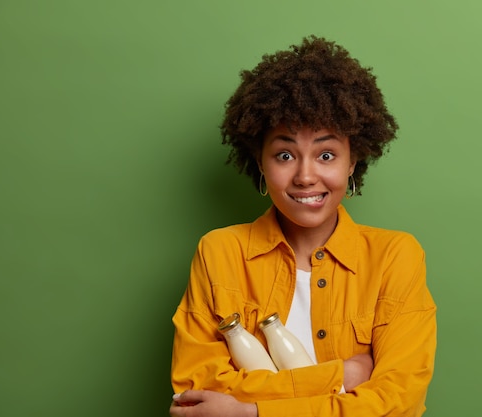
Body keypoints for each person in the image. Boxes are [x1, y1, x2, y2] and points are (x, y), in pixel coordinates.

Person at [169, 35, 437, 417]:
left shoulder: (396, 258)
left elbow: (396, 402)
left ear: (352, 161)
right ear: (260, 162)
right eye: (284, 155)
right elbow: (197, 394)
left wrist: (250, 411)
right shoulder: (220, 253)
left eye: (326, 154)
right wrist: (341, 376)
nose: (306, 176)